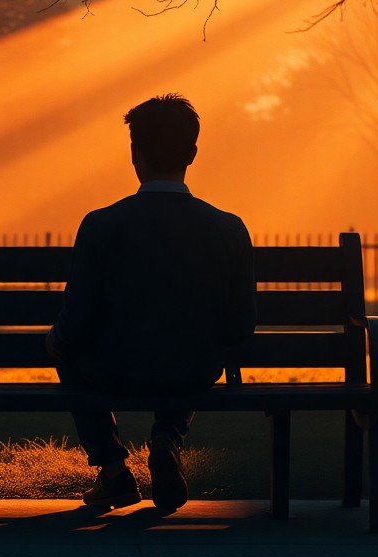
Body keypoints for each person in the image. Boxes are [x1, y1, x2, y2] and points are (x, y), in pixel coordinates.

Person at [46, 93, 254, 511]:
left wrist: (57, 339)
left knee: (66, 347)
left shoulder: (101, 225)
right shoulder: (228, 229)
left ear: (134, 153)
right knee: (191, 353)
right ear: (192, 154)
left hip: (114, 370)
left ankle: (113, 471)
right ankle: (168, 436)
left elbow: (79, 320)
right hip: (191, 371)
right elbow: (240, 325)